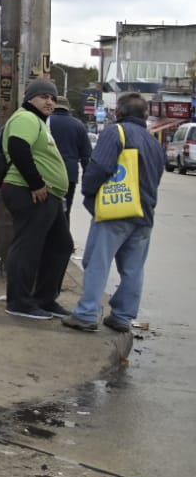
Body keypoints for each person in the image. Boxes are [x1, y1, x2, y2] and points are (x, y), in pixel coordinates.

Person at [62, 93, 164, 334]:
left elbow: (100, 167)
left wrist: (88, 192)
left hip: (116, 211)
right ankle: (122, 317)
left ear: (118, 113)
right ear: (145, 115)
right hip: (144, 214)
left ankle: (87, 313)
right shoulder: (154, 143)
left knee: (97, 262)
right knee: (133, 269)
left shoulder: (115, 132)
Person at [0, 79, 72, 321]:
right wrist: (37, 183)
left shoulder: (39, 122)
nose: (49, 101)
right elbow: (18, 147)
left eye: (52, 97)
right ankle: (19, 302)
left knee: (61, 245)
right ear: (30, 99)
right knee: (28, 246)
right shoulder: (26, 118)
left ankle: (44, 298)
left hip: (46, 195)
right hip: (28, 191)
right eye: (43, 96)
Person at [48, 97, 93, 215]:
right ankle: (63, 231)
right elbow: (86, 156)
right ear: (68, 109)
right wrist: (86, 180)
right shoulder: (78, 125)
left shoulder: (45, 122)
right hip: (69, 174)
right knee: (64, 212)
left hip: (47, 172)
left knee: (44, 213)